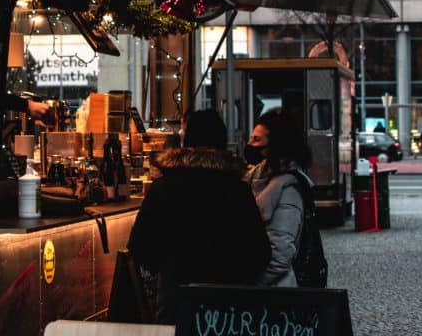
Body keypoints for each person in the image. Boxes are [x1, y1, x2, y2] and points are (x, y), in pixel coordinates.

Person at [127, 109, 271, 323]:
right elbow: (259, 254)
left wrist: (171, 266)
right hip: (227, 313)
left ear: (187, 142)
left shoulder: (163, 188)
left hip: (175, 305)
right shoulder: (237, 190)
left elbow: (139, 248)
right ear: (222, 145)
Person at [243, 107, 312, 287]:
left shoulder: (288, 189)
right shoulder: (256, 177)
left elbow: (280, 255)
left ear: (275, 144)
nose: (250, 144)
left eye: (257, 139)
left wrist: (248, 285)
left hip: (275, 295)